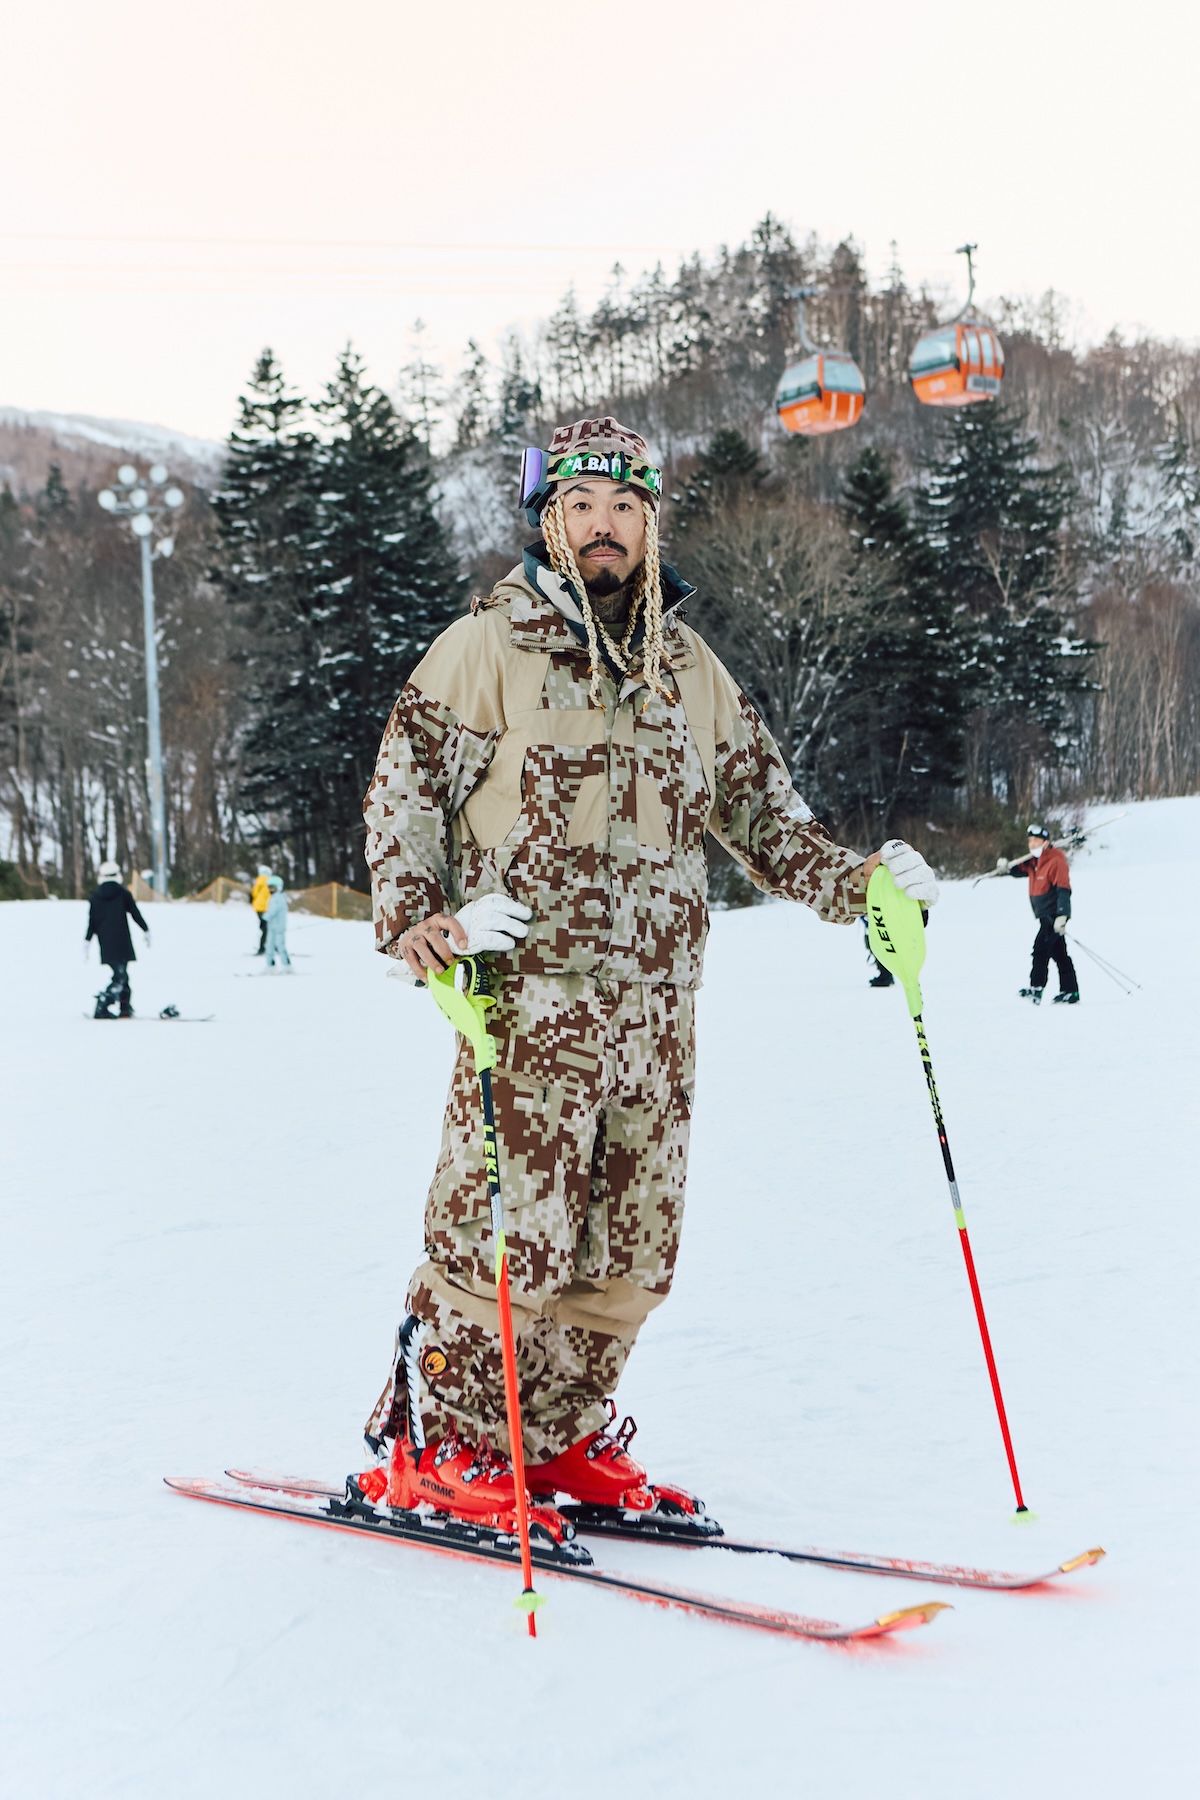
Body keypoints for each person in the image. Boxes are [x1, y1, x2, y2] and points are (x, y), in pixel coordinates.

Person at [358, 415, 940, 1539]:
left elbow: (764, 816)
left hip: (657, 1011)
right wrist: (420, 921)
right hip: (525, 1003)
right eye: (581, 507)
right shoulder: (488, 645)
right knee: (504, 1235)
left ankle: (560, 1437)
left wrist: (863, 885)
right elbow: (405, 787)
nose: (604, 527)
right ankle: (447, 1446)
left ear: (650, 520)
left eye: (625, 507)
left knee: (629, 1244)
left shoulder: (691, 670)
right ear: (549, 520)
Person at [998, 824, 1079, 1005]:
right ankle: (1070, 991)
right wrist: (1007, 868)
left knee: (1040, 950)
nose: (1032, 844)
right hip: (1044, 915)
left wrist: (1062, 916)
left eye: (1036, 841)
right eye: (1030, 841)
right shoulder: (1034, 862)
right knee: (1059, 954)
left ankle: (1036, 988)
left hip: (1052, 916)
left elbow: (1064, 890)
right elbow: (1019, 870)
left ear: (1046, 842)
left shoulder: (1056, 861)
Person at [86, 860, 149, 1018]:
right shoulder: (123, 894)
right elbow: (135, 913)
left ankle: (125, 1008)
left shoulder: (95, 897)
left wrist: (86, 940)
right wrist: (146, 929)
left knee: (122, 974)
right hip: (122, 941)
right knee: (120, 977)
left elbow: (92, 922)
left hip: (106, 943)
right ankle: (103, 1003)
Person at [263, 874, 290, 969]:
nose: (270, 890)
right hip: (272, 926)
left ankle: (287, 966)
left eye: (272, 888)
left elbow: (272, 911)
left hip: (279, 927)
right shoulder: (274, 897)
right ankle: (270, 965)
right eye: (269, 888)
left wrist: (264, 919)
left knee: (280, 945)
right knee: (269, 946)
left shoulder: (279, 898)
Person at [250, 865, 272, 954]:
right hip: (266, 908)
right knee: (268, 928)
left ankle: (266, 946)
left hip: (257, 908)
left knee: (265, 927)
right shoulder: (270, 882)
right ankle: (263, 947)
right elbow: (270, 896)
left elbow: (254, 894)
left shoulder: (258, 881)